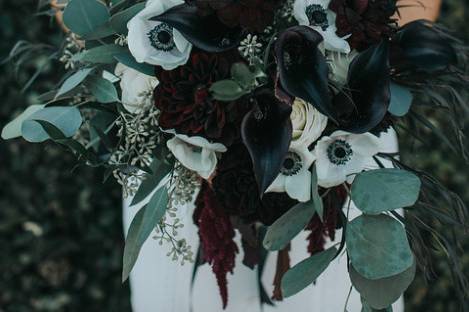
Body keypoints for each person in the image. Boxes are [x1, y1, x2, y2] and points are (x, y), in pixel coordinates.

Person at [123, 1, 442, 311]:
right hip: (179, 152)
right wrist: (198, 137)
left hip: (340, 147)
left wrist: (345, 84)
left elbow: (419, 5)